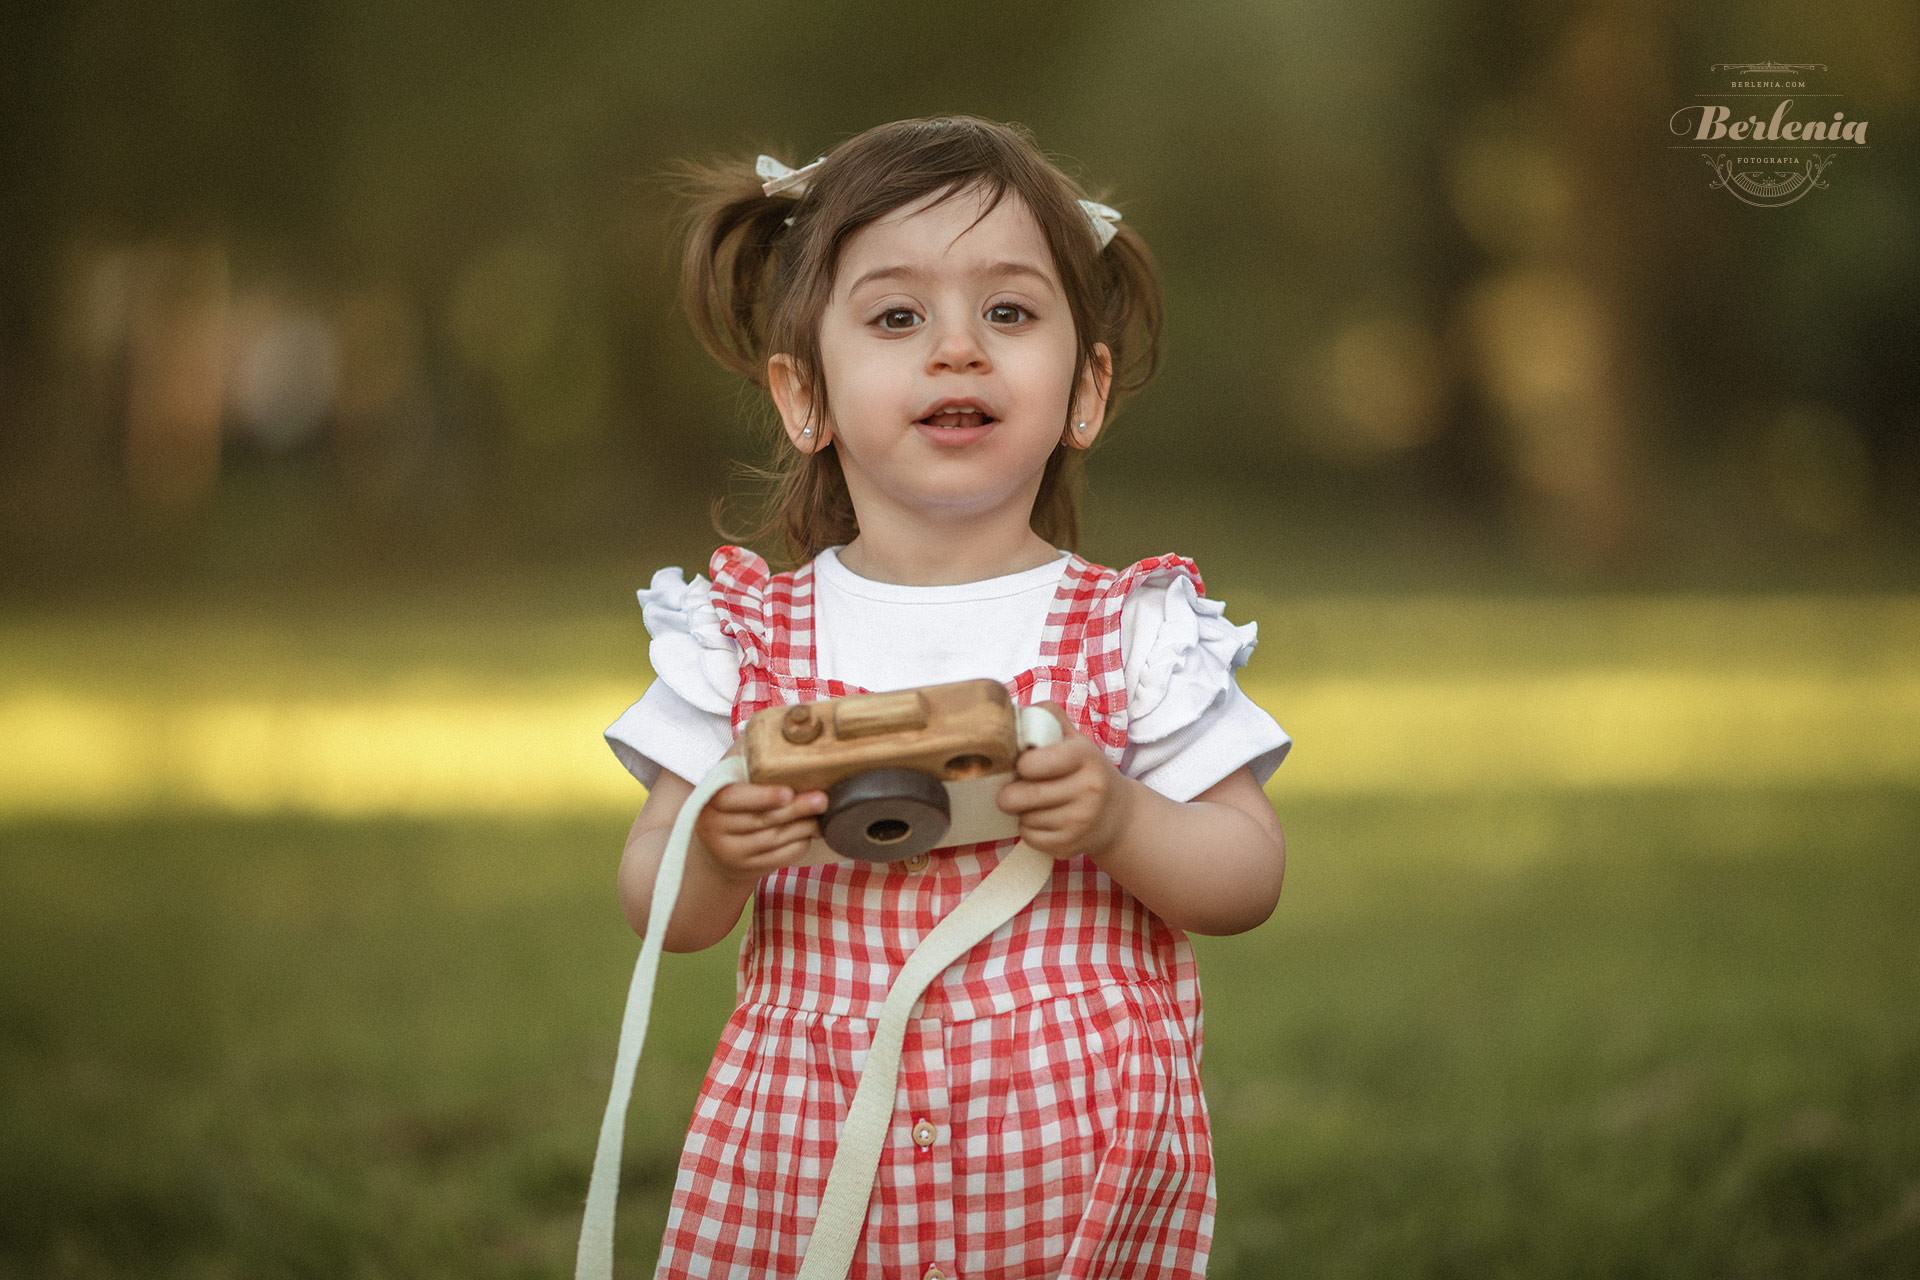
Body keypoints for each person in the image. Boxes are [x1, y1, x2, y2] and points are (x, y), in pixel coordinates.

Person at [604, 115, 1289, 1280]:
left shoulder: (1136, 631)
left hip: (1065, 1161)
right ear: (802, 395)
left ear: (1088, 388)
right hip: (817, 1150)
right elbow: (656, 897)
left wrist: (1124, 819)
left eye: (1010, 313)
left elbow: (1247, 870)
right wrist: (716, 846)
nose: (958, 349)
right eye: (896, 316)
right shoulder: (746, 636)